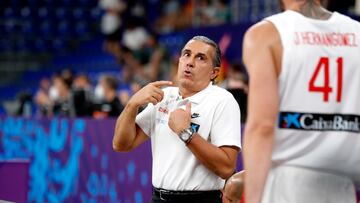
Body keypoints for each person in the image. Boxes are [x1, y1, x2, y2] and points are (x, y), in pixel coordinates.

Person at [242, 0, 360, 203]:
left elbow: (262, 127)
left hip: (287, 184)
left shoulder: (266, 34)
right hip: (343, 185)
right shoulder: (357, 32)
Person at [113, 36, 241, 202]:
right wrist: (132, 105)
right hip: (158, 198)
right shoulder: (164, 96)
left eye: (200, 58)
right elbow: (121, 144)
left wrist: (185, 133)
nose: (190, 62)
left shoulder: (222, 100)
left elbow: (226, 167)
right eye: (186, 55)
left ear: (214, 72)